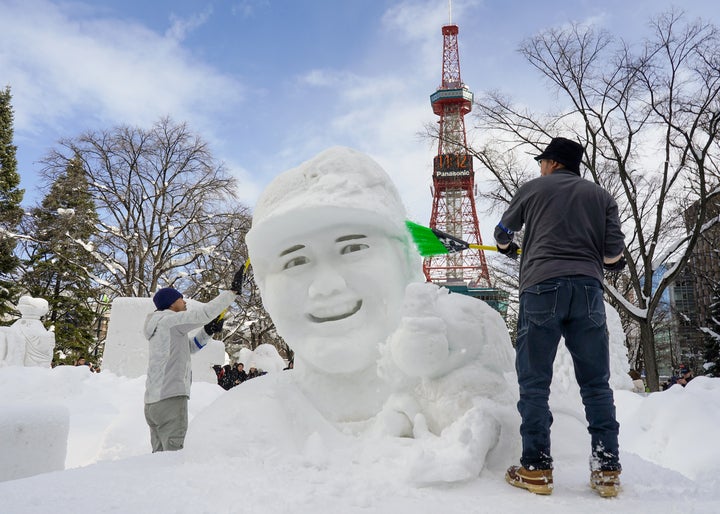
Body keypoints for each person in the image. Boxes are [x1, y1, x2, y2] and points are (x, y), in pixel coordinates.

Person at [494, 137, 626, 498]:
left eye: (542, 161)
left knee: (535, 382)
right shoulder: (601, 197)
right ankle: (607, 470)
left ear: (552, 163)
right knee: (596, 384)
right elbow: (614, 256)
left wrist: (511, 249)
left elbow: (502, 234)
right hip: (587, 291)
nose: (540, 167)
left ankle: (535, 469)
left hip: (541, 288)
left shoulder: (533, 189)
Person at [143, 273, 242, 452]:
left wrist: (207, 331)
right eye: (181, 299)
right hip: (170, 399)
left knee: (157, 459)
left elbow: (191, 348)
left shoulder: (160, 327)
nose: (185, 302)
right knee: (173, 457)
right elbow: (204, 314)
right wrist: (232, 293)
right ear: (172, 303)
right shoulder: (170, 321)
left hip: (152, 404)